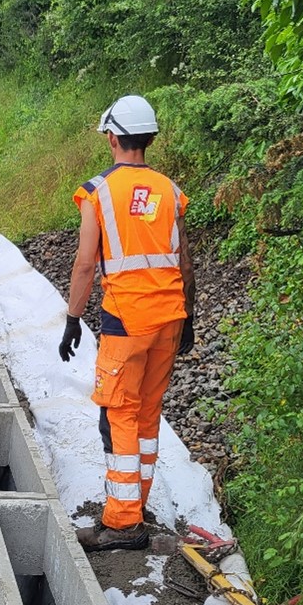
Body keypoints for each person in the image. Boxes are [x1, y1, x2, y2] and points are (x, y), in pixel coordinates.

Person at [58, 95, 195, 551]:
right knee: (148, 415)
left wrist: (73, 318)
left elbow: (84, 266)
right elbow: (185, 262)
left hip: (126, 321)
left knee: (119, 414)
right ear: (149, 138)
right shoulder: (170, 191)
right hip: (170, 319)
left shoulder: (97, 192)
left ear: (112, 137)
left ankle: (121, 523)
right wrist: (188, 316)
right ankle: (139, 503)